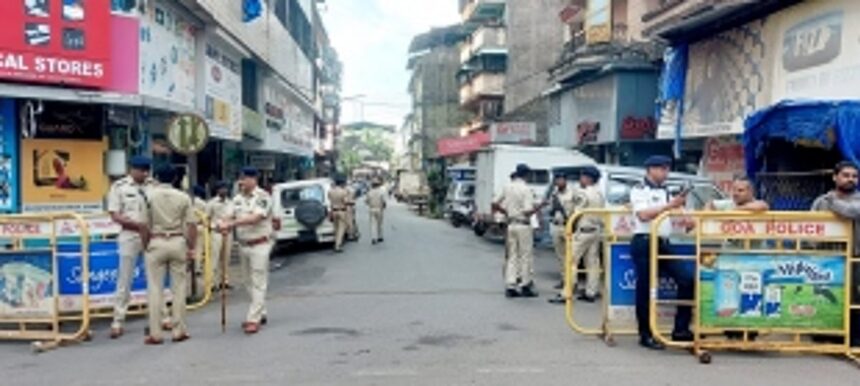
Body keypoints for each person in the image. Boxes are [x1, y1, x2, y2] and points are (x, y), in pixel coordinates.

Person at [629, 155, 694, 350]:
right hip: (644, 240)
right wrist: (670, 205)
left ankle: (681, 329)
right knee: (646, 288)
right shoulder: (639, 189)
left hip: (664, 242)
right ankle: (646, 334)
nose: (666, 173)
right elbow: (643, 215)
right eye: (662, 169)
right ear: (650, 169)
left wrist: (686, 218)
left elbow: (676, 211)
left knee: (687, 279)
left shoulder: (666, 190)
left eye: (667, 169)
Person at [142, 165, 196, 345]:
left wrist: (146, 244)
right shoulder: (183, 197)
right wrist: (191, 247)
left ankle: (155, 333)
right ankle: (179, 331)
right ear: (175, 179)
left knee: (154, 288)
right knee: (179, 288)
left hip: (156, 241)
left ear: (156, 178)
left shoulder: (149, 196)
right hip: (177, 241)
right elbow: (191, 225)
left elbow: (143, 225)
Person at [218, 167, 274, 334]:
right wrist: (222, 224)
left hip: (260, 244)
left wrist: (232, 224)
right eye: (240, 179)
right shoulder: (237, 199)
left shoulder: (263, 197)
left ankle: (253, 319)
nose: (241, 182)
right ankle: (261, 312)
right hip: (244, 245)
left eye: (244, 179)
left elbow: (256, 218)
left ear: (253, 179)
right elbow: (228, 215)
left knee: (258, 281)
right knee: (247, 282)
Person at [810, 161, 860, 347]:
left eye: (854, 176)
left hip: (854, 258)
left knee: (852, 297)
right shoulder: (821, 201)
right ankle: (824, 333)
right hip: (827, 259)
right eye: (846, 175)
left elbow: (851, 212)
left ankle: (853, 337)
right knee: (826, 294)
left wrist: (832, 201)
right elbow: (810, 225)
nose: (850, 179)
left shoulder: (853, 200)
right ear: (835, 177)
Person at [107, 155, 156, 339]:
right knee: (124, 279)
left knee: (154, 277)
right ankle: (118, 320)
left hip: (151, 235)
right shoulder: (119, 187)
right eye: (141, 170)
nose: (145, 174)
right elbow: (115, 214)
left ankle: (159, 316)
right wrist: (137, 226)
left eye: (147, 170)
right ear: (132, 170)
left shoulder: (153, 186)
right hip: (129, 234)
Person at [549, 166, 605, 304]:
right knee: (592, 262)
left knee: (570, 260)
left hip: (583, 231)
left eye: (582, 177)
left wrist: (570, 225)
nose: (580, 179)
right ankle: (591, 292)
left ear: (588, 178)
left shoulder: (583, 194)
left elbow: (576, 213)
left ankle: (566, 293)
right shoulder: (599, 193)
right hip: (596, 230)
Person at [493, 164, 542, 298]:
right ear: (526, 175)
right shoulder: (526, 189)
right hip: (523, 224)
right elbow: (527, 211)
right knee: (525, 256)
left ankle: (510, 285)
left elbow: (495, 203)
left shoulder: (507, 187)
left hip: (511, 224)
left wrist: (507, 212)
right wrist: (538, 208)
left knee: (512, 256)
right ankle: (525, 284)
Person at [546, 173, 577, 291]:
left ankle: (572, 282)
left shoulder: (573, 193)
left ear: (565, 180)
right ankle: (564, 279)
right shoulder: (554, 194)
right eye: (557, 180)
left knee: (571, 256)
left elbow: (577, 208)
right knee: (560, 256)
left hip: (568, 225)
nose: (559, 182)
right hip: (556, 225)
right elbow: (550, 210)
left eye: (561, 179)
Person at [207, 181, 234, 291]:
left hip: (228, 233)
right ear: (217, 190)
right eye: (222, 188)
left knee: (226, 258)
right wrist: (214, 227)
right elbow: (206, 219)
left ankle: (224, 281)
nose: (224, 190)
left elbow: (234, 217)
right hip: (216, 233)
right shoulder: (211, 203)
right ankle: (211, 283)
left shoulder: (231, 203)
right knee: (214, 258)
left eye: (225, 188)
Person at [328, 175, 351, 253]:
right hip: (341, 211)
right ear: (342, 183)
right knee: (341, 228)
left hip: (334, 211)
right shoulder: (343, 192)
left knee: (336, 228)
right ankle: (338, 245)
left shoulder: (330, 191)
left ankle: (336, 242)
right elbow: (345, 201)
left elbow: (330, 200)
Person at [365, 178, 387, 245]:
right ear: (378, 185)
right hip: (379, 209)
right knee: (380, 223)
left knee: (373, 224)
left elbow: (366, 201)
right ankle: (380, 236)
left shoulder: (369, 192)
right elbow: (384, 201)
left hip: (372, 209)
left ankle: (373, 238)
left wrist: (370, 203)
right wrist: (384, 206)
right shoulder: (381, 192)